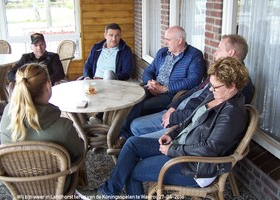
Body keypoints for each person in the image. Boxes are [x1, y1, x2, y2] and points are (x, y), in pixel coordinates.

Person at [98, 57, 249, 199]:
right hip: (182, 147)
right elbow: (191, 120)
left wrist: (172, 150)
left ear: (232, 86)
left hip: (195, 167)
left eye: (215, 87)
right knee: (132, 143)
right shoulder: (216, 96)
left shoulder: (232, 114)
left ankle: (106, 193)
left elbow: (209, 149)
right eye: (211, 85)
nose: (210, 90)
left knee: (132, 170)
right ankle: (108, 191)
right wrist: (172, 133)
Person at [130, 34, 254, 138]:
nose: (215, 53)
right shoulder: (221, 72)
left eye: (219, 49)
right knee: (135, 120)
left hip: (185, 125)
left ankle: (147, 158)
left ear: (231, 53)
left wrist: (174, 117)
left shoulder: (235, 83)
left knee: (136, 130)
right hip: (179, 110)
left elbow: (205, 113)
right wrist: (173, 107)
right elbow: (195, 90)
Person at [114, 25, 206, 145]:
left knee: (140, 106)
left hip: (171, 94)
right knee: (132, 99)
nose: (165, 42)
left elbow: (194, 80)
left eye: (168, 39)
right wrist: (150, 82)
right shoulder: (163, 52)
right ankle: (121, 133)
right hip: (153, 87)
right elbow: (149, 70)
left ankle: (126, 137)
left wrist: (165, 89)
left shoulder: (194, 55)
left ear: (179, 40)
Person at [1, 63, 84, 164]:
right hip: (56, 179)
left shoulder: (7, 111)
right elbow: (79, 150)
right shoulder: (64, 127)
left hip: (12, 177)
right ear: (48, 85)